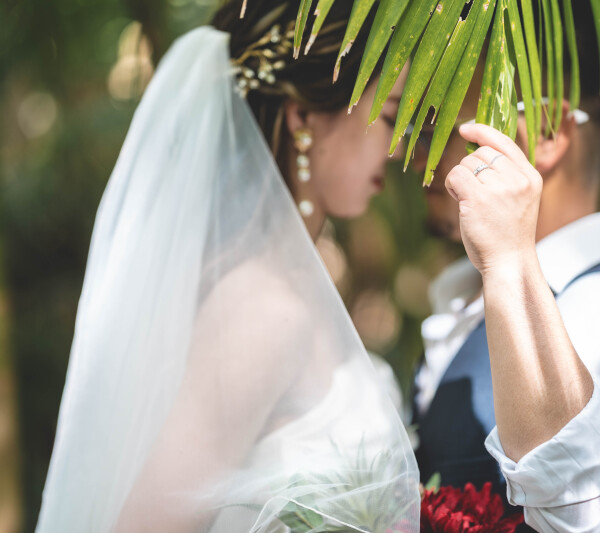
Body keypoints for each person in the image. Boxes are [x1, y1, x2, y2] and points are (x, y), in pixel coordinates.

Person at [35, 1, 419, 532]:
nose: (398, 149)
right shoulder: (261, 309)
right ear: (303, 117)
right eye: (391, 115)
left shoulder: (295, 284)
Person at [413, 1, 600, 531]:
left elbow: (587, 507)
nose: (407, 153)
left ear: (542, 132)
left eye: (433, 125)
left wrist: (509, 258)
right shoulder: (465, 300)